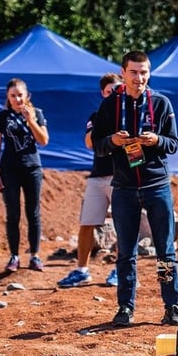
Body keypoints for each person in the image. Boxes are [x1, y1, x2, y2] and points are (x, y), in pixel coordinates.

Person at [91, 50, 178, 328]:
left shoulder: (161, 103)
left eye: (144, 72)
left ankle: (172, 307)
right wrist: (113, 141)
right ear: (123, 73)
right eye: (133, 72)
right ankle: (125, 307)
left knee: (166, 250)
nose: (139, 77)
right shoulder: (110, 105)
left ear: (149, 73)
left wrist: (156, 139)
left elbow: (173, 144)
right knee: (126, 252)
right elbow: (97, 145)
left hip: (157, 185)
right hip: (123, 186)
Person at [58, 73, 123, 288]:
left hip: (121, 176)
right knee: (86, 223)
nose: (113, 95)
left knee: (124, 225)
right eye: (109, 92)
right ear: (102, 93)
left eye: (117, 91)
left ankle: (120, 270)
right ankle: (82, 271)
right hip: (97, 176)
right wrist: (103, 121)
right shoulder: (96, 116)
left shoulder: (129, 116)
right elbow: (88, 143)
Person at [0, 78, 49, 273]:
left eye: (20, 95)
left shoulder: (37, 113)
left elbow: (44, 141)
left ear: (27, 95)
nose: (17, 99)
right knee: (13, 213)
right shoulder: (2, 117)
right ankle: (14, 256)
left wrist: (30, 120)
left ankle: (35, 256)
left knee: (33, 212)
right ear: (8, 97)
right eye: (13, 96)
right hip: (9, 169)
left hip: (32, 168)